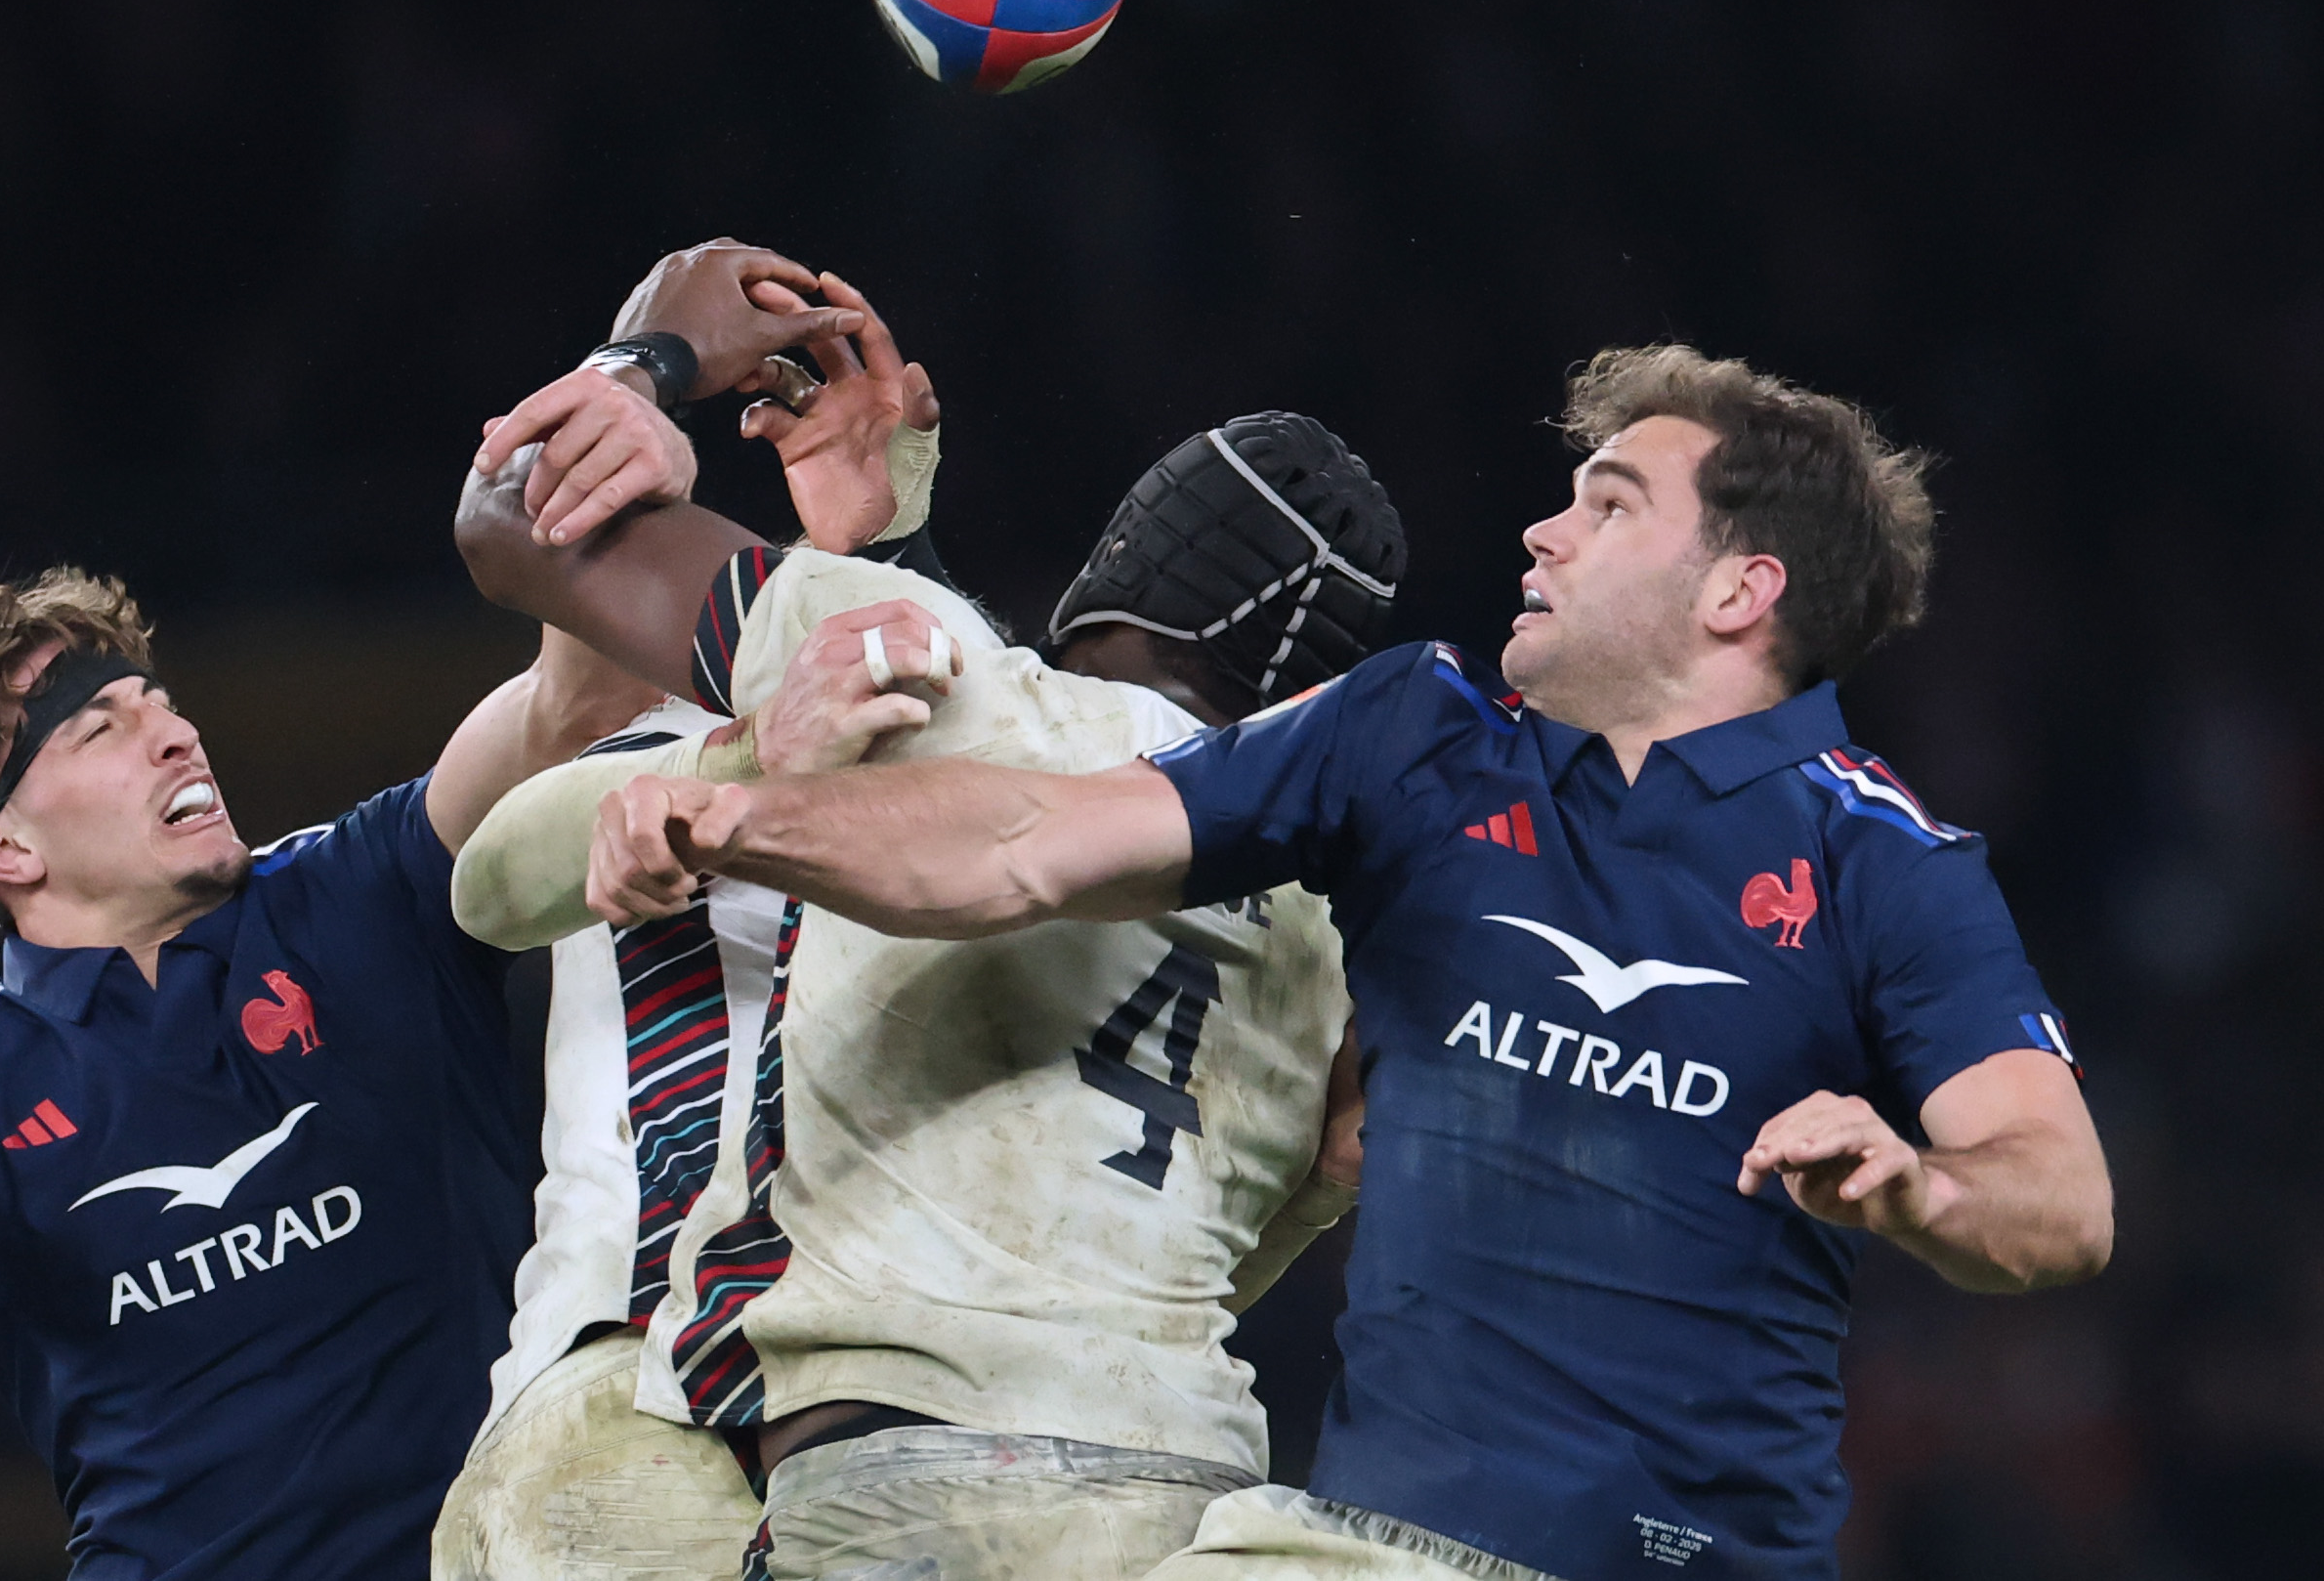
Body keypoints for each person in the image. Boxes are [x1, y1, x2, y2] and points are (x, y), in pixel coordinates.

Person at [587, 345, 2115, 1581]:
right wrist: (745, 823)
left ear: (1738, 590)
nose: (1543, 530)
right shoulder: (1420, 738)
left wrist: (1921, 1183)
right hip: (1360, 1545)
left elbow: (2062, 1198)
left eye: (1607, 504)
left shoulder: (1887, 863)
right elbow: (1022, 844)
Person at [0, 245, 867, 1581]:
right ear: (12, 847)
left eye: (160, 700)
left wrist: (632, 377)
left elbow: (575, 697)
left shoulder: (364, 889)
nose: (173, 734)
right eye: (102, 725)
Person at [449, 278, 1406, 1580]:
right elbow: (1320, 1183)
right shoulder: (1333, 912)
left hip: (863, 1432)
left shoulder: (909, 663)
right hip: (1173, 1460)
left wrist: (646, 364)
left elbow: (512, 552)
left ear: (1119, 560)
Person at [431, 251, 953, 1580]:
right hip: (617, 1367)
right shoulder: (613, 725)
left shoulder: (945, 762)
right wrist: (645, 361)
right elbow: (490, 882)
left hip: (842, 1372)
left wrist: (886, 545)